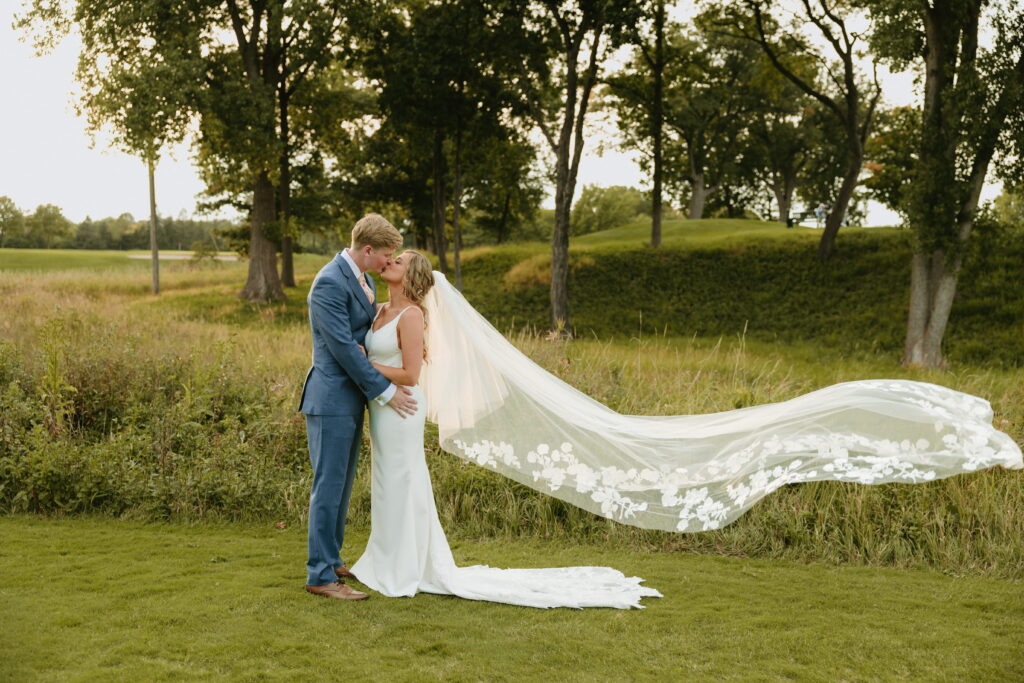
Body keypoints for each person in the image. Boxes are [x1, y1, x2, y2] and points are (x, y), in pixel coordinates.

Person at [350, 251, 662, 609]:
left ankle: (407, 568)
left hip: (402, 410)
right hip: (383, 410)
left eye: (400, 261)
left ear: (412, 277)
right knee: (387, 484)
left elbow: (410, 374)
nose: (391, 261)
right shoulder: (380, 311)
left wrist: (365, 363)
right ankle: (386, 559)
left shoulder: (411, 315)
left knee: (404, 481)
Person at [298, 214, 418, 601]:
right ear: (368, 250)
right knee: (328, 486)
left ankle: (332, 560)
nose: (388, 262)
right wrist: (386, 391)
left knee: (342, 486)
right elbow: (346, 352)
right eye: (386, 255)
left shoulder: (364, 280)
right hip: (330, 398)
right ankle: (319, 575)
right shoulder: (329, 284)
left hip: (350, 400)